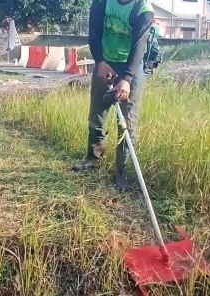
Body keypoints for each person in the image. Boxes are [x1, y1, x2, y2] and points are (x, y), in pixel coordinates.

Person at [71, 0, 155, 193]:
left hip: (130, 68)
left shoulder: (143, 10)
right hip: (105, 61)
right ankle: (93, 159)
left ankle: (121, 172)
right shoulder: (102, 2)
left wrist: (126, 79)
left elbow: (139, 47)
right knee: (97, 114)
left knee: (127, 123)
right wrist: (100, 62)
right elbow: (94, 32)